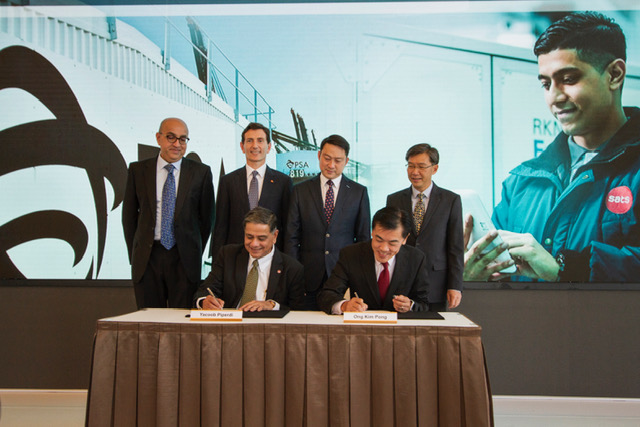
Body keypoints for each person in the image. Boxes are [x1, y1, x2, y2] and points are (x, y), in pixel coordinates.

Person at [465, 11, 640, 282]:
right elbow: (500, 286)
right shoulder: (521, 184)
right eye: (546, 84)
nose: (554, 97)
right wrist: (470, 279)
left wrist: (566, 268)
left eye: (569, 79)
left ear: (614, 75)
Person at [122, 118, 215, 308]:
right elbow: (129, 217)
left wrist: (193, 248)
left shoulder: (201, 173)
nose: (177, 144)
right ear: (158, 138)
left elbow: (207, 219)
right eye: (171, 137)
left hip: (184, 260)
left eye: (182, 139)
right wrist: (136, 252)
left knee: (182, 322)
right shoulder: (138, 170)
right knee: (149, 320)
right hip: (148, 258)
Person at [285, 134, 371, 310]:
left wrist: (358, 276)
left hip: (343, 277)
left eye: (338, 160)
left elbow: (363, 240)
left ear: (346, 161)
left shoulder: (358, 192)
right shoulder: (300, 191)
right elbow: (291, 237)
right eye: (327, 158)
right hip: (307, 277)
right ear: (318, 156)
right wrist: (294, 273)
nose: (331, 165)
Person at [386, 143, 463, 311]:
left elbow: (455, 247)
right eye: (411, 166)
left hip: (435, 283)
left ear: (434, 169)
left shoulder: (450, 201)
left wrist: (455, 285)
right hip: (400, 284)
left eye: (421, 166)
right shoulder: (394, 200)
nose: (415, 172)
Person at [318, 207, 429, 314]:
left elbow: (424, 303)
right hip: (362, 326)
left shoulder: (416, 259)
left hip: (400, 328)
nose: (384, 248)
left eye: (392, 243)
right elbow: (327, 294)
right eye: (378, 239)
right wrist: (344, 305)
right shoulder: (351, 255)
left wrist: (410, 305)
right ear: (372, 232)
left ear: (405, 239)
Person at [194, 207, 304, 311]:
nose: (254, 244)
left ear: (275, 236)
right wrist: (204, 301)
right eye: (249, 237)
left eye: (261, 238)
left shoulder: (292, 268)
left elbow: (297, 311)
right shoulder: (228, 255)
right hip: (231, 324)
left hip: (269, 327)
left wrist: (272, 305)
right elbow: (205, 290)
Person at [210, 122, 292, 259]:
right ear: (242, 147)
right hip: (235, 260)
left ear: (269, 147)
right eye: (250, 141)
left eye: (260, 140)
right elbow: (220, 228)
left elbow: (287, 227)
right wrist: (218, 265)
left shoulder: (283, 182)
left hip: (271, 259)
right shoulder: (228, 181)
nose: (255, 146)